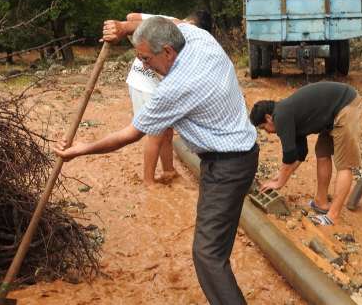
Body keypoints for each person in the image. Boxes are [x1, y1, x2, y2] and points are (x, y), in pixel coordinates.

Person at [54, 16, 257, 305]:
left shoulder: (176, 88)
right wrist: (124, 28)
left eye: (146, 59)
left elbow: (130, 134)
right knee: (214, 250)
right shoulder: (196, 37)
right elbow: (168, 19)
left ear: (167, 52)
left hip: (228, 167)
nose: (144, 66)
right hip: (239, 152)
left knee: (207, 255)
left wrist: (81, 148)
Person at [250, 82, 362, 226]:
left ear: (268, 118)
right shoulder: (288, 113)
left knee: (344, 165)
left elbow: (289, 155)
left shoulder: (281, 116)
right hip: (331, 112)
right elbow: (300, 154)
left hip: (346, 105)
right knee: (322, 153)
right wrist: (280, 176)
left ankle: (332, 216)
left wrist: (279, 182)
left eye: (263, 127)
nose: (267, 132)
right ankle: (320, 202)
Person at [120, 10, 212, 185]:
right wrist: (124, 28)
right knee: (156, 133)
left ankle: (168, 170)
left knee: (167, 132)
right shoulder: (170, 23)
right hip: (144, 82)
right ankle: (148, 181)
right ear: (192, 23)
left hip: (158, 82)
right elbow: (131, 17)